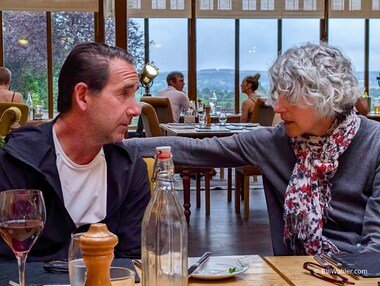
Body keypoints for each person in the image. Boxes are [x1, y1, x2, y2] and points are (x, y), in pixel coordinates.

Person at [125, 42, 380, 256]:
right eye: (277, 94)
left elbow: (376, 245)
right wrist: (108, 145)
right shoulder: (273, 142)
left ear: (325, 96)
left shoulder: (374, 143)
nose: (276, 107)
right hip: (293, 272)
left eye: (288, 97)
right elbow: (194, 149)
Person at [0, 43, 151, 262]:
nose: (135, 109)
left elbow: (132, 260)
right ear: (82, 96)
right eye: (123, 94)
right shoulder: (17, 163)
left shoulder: (129, 168)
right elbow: (5, 264)